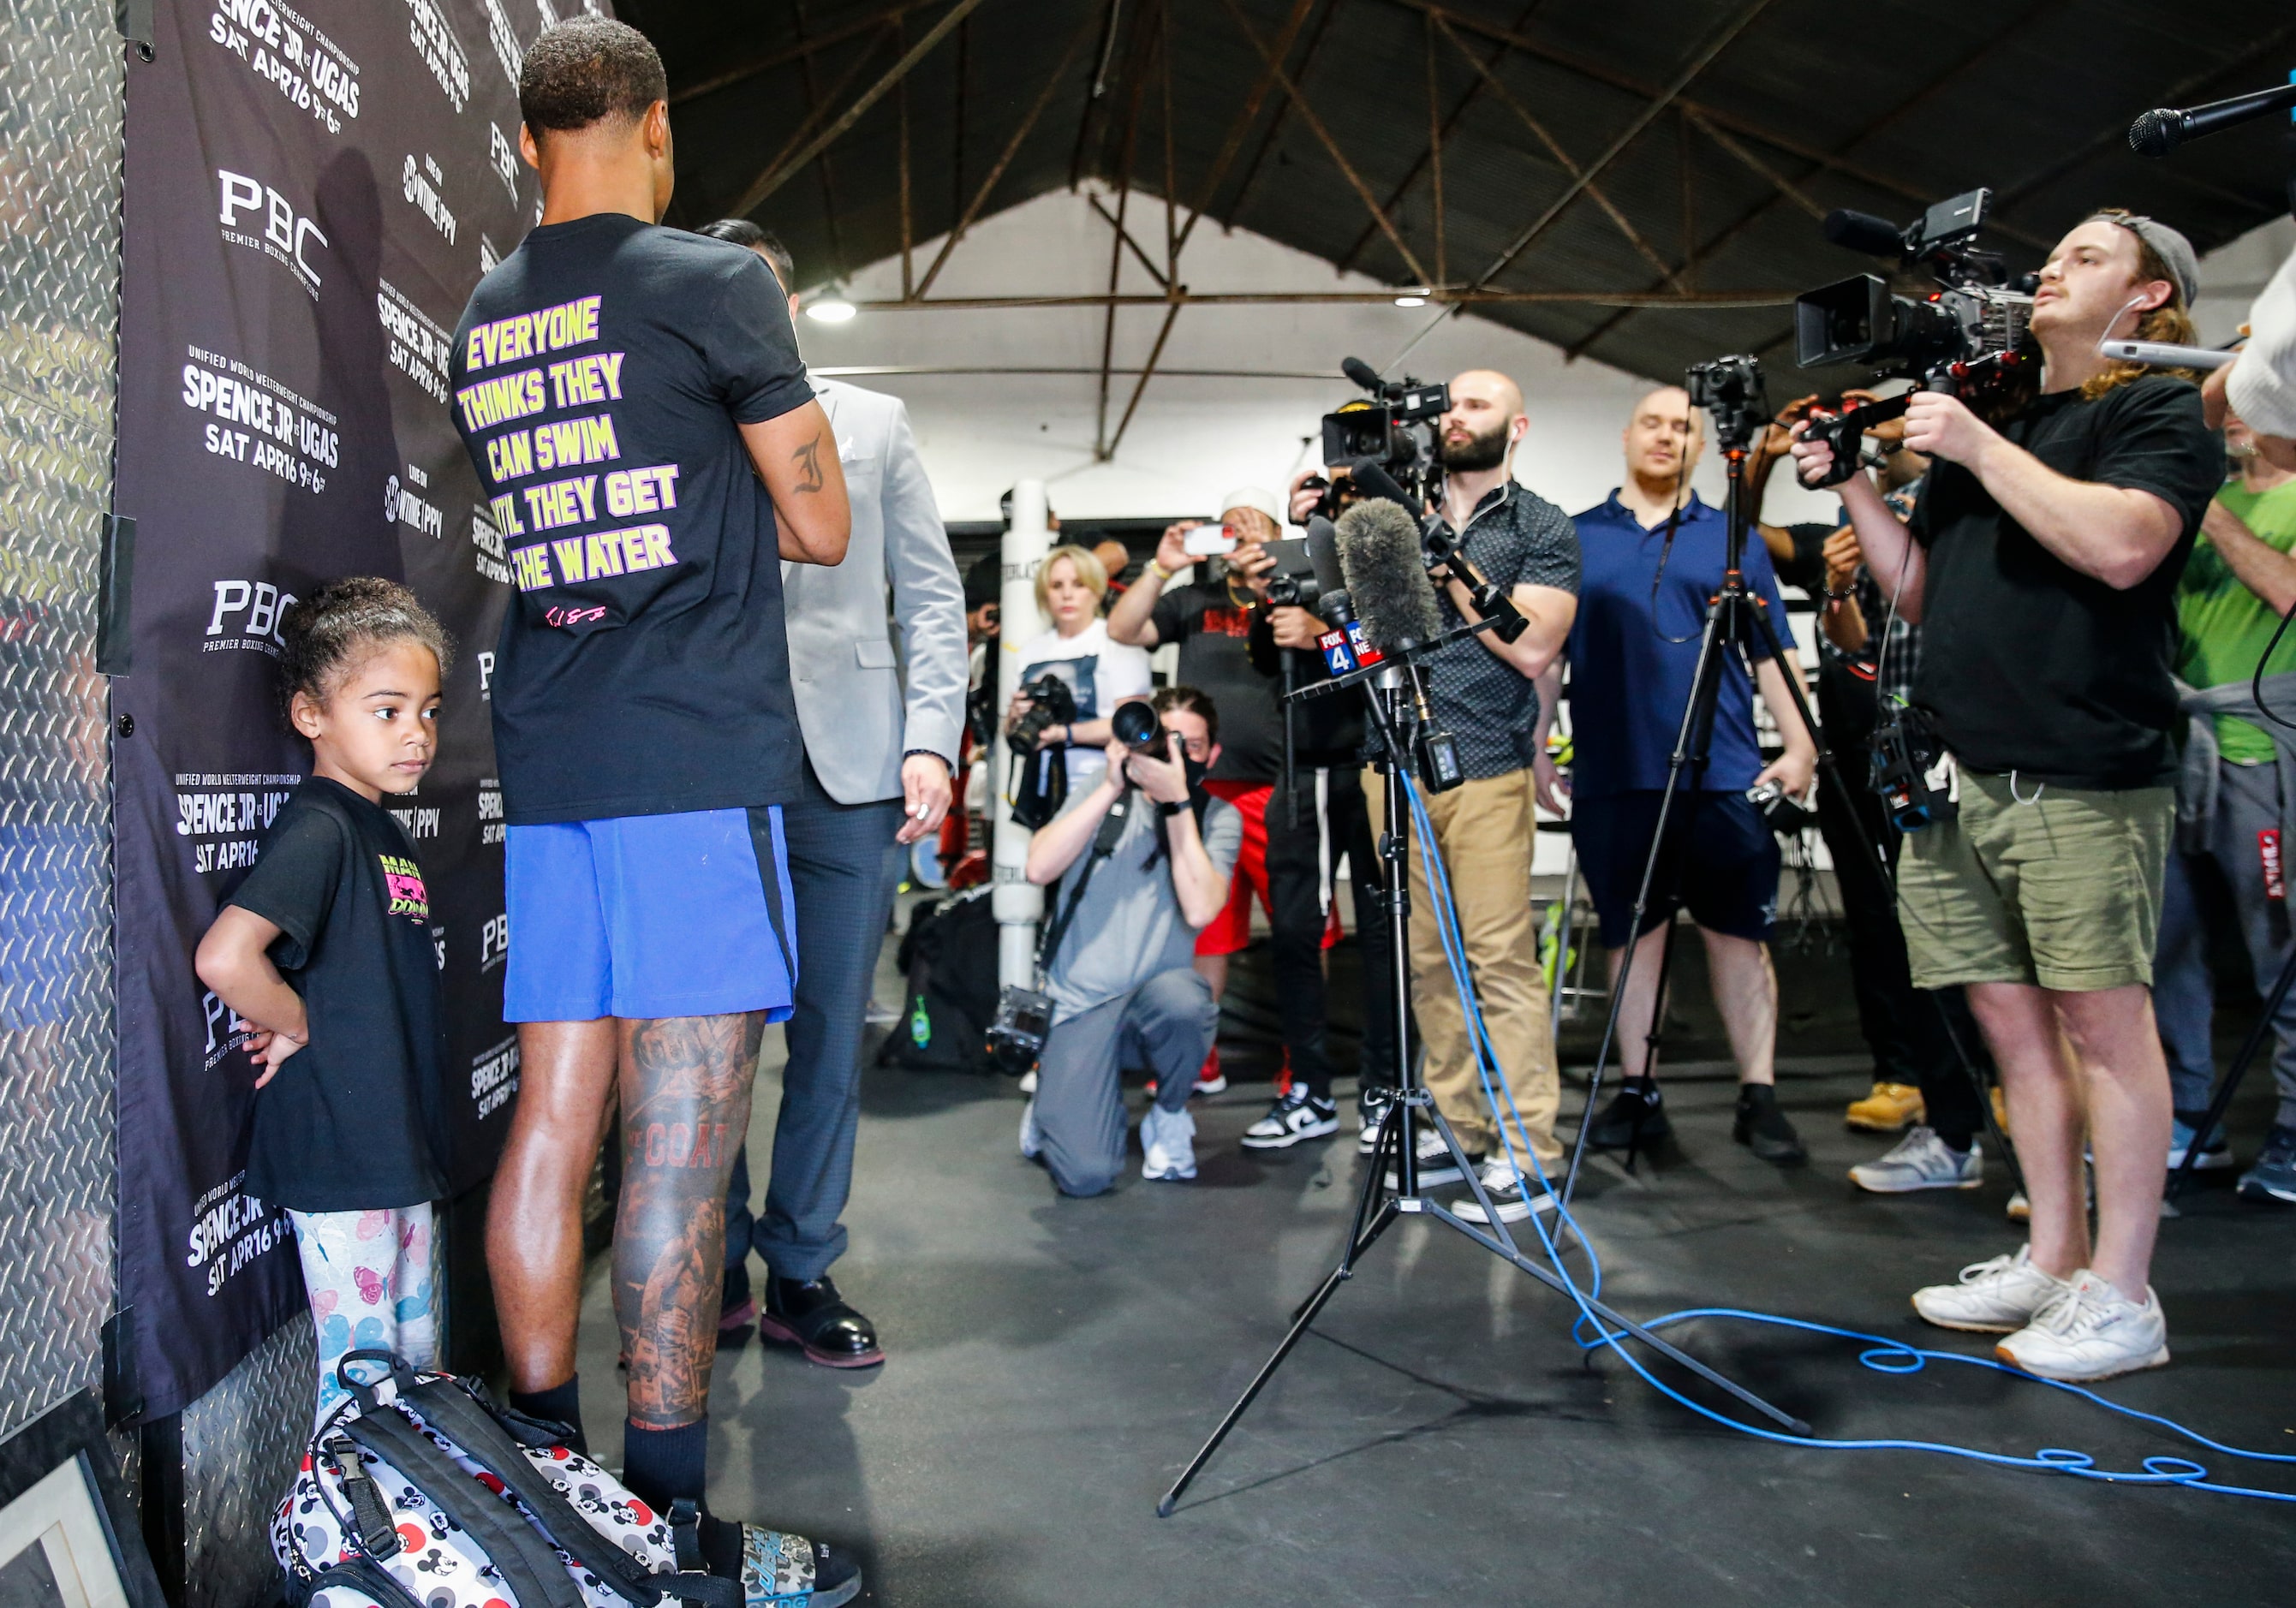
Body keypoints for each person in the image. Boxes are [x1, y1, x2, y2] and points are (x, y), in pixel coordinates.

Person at [450, 21, 862, 1597]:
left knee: (556, 1118)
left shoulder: (489, 311)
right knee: (683, 1136)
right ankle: (673, 1526)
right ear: (656, 125)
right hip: (691, 756)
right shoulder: (711, 280)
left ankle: (553, 1493)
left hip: (550, 751)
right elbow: (817, 520)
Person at [1792, 209, 2225, 1382]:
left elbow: (2127, 547)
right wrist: (1859, 495)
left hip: (2083, 769)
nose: (2050, 270)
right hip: (1960, 773)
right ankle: (2052, 1249)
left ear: (2146, 297)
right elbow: (1923, 597)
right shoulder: (2008, 416)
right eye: (2052, 257)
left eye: (2085, 257)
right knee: (2011, 1029)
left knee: (2104, 1029)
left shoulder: (2154, 410)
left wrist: (1977, 450)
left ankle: (2124, 1296)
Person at [695, 220, 967, 1367]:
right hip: (708, 770)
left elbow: (933, 599)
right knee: (708, 1040)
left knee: (826, 1041)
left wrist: (934, 743)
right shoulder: (675, 417)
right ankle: (715, 1255)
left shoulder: (873, 422)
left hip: (853, 771)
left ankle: (803, 1265)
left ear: (790, 302)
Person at [194, 580, 452, 1427]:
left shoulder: (379, 825)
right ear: (312, 715)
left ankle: (423, 1541)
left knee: (414, 1383)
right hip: (344, 1157)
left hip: (394, 1149)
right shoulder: (322, 828)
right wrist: (296, 1020)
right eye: (386, 710)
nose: (415, 732)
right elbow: (227, 956)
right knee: (363, 1391)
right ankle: (350, 1549)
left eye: (427, 710)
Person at [1550, 385, 1818, 1169]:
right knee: (1633, 939)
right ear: (1627, 435)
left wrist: (1800, 744)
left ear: (1701, 448)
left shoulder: (1732, 539)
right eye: (1654, 424)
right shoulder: (1573, 539)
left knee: (1739, 939)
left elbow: (1772, 651)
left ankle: (1757, 1095)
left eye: (1683, 428)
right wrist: (1536, 746)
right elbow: (1548, 660)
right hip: (1614, 774)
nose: (1666, 437)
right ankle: (1638, 1092)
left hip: (1723, 774)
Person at [1352, 369, 1582, 1224]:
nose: (1456, 417)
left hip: (1484, 763)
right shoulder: (1391, 516)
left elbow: (1531, 648)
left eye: (1476, 404)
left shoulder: (1541, 526)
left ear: (1514, 426)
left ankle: (1529, 1149)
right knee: (1425, 959)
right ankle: (1462, 1130)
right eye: (1449, 403)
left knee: (1498, 960)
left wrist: (1441, 556)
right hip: (1393, 760)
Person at [1756, 394, 2001, 1189]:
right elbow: (1859, 645)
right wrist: (1834, 589)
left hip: (1989, 744)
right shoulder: (1866, 520)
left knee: (2020, 963)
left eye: (1874, 413)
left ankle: (2046, 1148)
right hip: (1896, 753)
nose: (1866, 427)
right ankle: (1948, 1125)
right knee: (1919, 939)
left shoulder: (1983, 485)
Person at [1108, 489, 1340, 1117]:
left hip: (1278, 785)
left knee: (1300, 930)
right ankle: (1198, 1059)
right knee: (1206, 932)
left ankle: (1303, 1063)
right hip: (1204, 790)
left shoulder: (1302, 600)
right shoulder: (1194, 600)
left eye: (1253, 524)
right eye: (1228, 525)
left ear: (1275, 535)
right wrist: (1161, 565)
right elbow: (1122, 629)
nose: (1239, 531)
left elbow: (1352, 657)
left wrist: (1295, 596)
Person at [1018, 688, 1243, 1194]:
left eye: (1194, 743)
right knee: (1086, 1175)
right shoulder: (1104, 792)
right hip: (1081, 1004)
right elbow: (1037, 867)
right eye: (1169, 739)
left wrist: (1177, 802)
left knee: (1189, 1002)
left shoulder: (1216, 817)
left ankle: (1168, 1116)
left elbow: (1202, 908)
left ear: (1213, 755)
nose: (1180, 752)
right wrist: (1108, 785)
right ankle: (1057, 1100)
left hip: (1153, 1004)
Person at [2154, 407, 2296, 1203]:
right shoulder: (2205, 498)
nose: (2231, 417)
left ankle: (2294, 1128)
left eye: (2252, 397)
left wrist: (2207, 512)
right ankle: (2187, 1119)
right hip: (2181, 754)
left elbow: (2287, 592)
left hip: (2264, 755)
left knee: (2280, 956)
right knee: (2166, 949)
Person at [1007, 545, 1154, 797]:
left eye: (1078, 584)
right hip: (1039, 789)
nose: (1067, 595)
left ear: (1097, 590)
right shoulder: (1029, 652)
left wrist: (1063, 734)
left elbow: (1133, 725)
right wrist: (1013, 717)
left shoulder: (1117, 643)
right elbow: (1010, 729)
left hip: (1103, 784)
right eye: (1056, 586)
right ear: (1045, 594)